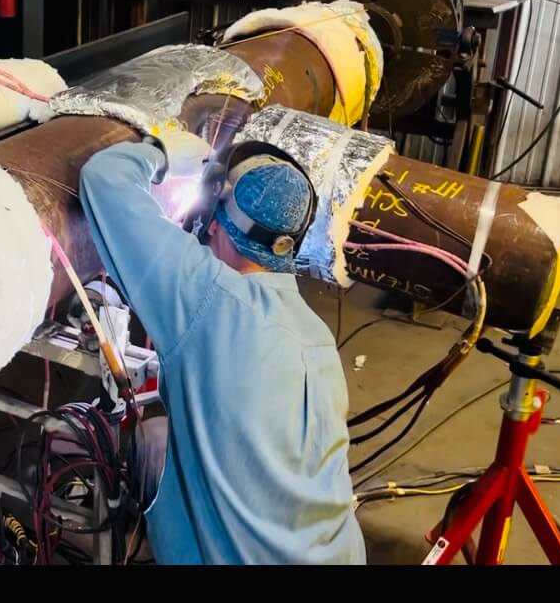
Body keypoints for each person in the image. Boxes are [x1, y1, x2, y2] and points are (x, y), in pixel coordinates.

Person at [78, 129, 364, 565]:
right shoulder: (316, 335)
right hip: (339, 554)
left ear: (216, 223)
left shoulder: (205, 296)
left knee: (81, 439)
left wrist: (167, 152)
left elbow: (104, 178)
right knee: (157, 438)